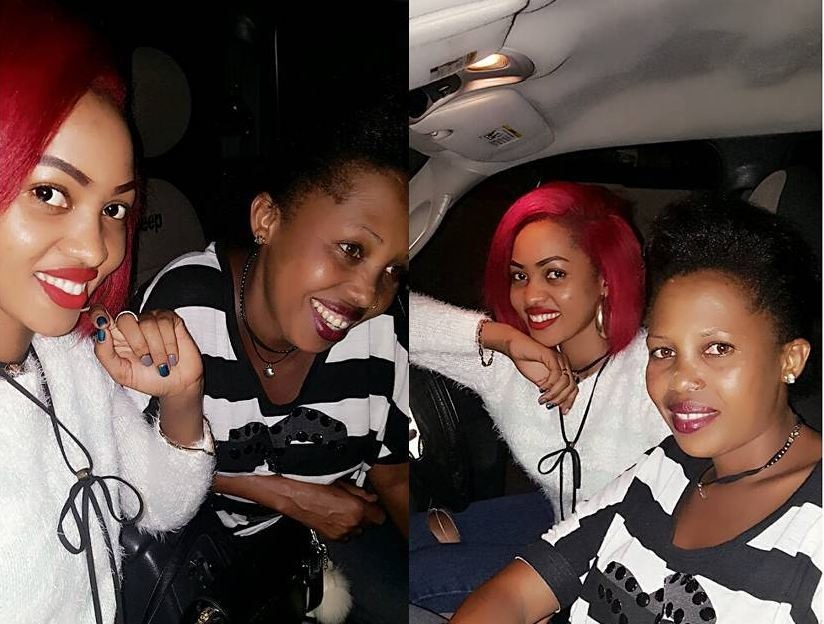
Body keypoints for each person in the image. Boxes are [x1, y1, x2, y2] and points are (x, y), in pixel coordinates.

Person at [449, 197, 822, 623]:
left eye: (718, 349)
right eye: (664, 351)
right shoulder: (666, 466)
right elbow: (515, 594)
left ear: (790, 360)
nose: (679, 381)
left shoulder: (812, 529)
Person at [132, 108, 409, 623]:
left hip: (326, 537)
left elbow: (394, 478)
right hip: (201, 545)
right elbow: (132, 468)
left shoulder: (381, 334)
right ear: (267, 219)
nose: (367, 294)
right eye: (351, 249)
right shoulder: (185, 310)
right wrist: (286, 495)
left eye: (392, 270)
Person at [0, 3, 215, 623]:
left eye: (114, 209)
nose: (96, 249)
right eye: (49, 193)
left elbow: (160, 503)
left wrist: (182, 396)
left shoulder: (66, 357)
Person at [409, 182, 668, 612]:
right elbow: (389, 316)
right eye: (519, 276)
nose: (530, 296)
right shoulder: (514, 364)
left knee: (419, 576)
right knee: (412, 537)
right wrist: (500, 337)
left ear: (605, 279)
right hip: (560, 518)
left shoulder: (653, 371)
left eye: (555, 274)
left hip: (622, 566)